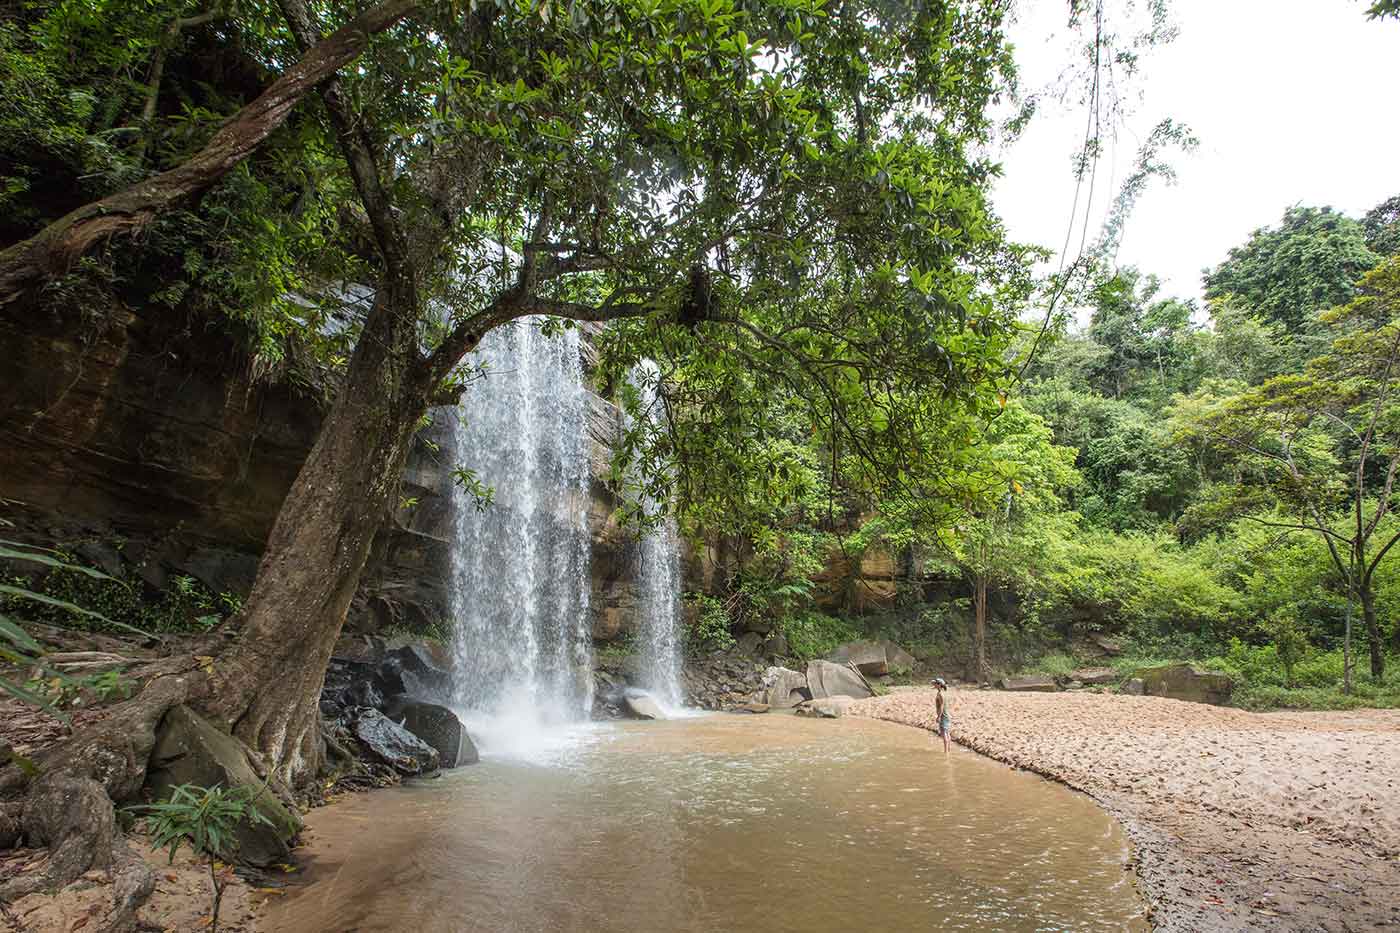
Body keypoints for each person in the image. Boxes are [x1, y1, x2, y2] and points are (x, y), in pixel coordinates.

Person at [933, 678, 951, 754]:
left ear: (939, 685)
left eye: (936, 684)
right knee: (947, 733)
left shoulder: (940, 694)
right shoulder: (944, 692)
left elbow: (941, 706)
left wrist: (939, 717)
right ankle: (948, 750)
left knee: (944, 734)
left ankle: (946, 752)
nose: (934, 685)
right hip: (947, 715)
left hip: (943, 715)